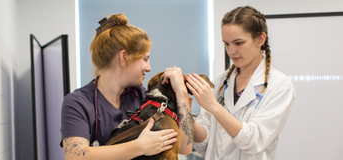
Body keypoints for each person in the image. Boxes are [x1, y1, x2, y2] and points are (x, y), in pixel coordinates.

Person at [61, 13, 193, 160]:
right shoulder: (78, 103)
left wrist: (181, 91)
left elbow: (185, 147)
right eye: (145, 59)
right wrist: (139, 147)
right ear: (123, 58)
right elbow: (76, 155)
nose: (149, 68)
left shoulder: (144, 98)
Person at [185, 6, 296, 160]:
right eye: (227, 44)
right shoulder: (220, 82)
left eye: (238, 43)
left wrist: (213, 106)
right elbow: (204, 143)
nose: (231, 51)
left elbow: (254, 140)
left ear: (260, 39)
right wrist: (184, 113)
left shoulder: (280, 85)